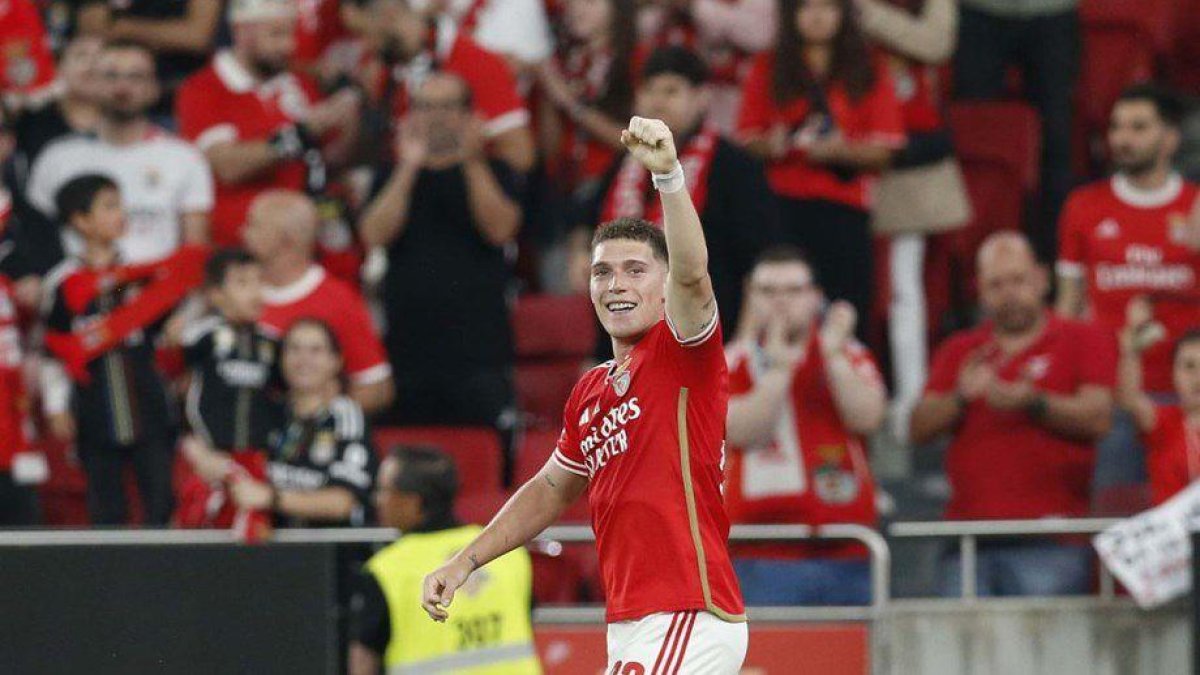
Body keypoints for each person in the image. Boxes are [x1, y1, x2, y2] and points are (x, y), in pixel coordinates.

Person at [421, 117, 748, 671]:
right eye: (603, 272)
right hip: (631, 622)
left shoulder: (682, 353)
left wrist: (668, 177)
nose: (616, 283)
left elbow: (693, 277)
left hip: (687, 612)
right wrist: (466, 560)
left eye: (635, 270)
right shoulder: (591, 391)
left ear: (663, 285)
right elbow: (551, 487)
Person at [910, 231, 1117, 597]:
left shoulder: (1083, 338)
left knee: (1044, 653)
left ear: (1041, 279)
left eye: (1018, 280)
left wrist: (1034, 402)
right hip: (968, 538)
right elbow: (917, 428)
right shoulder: (960, 349)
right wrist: (960, 397)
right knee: (960, 651)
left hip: (1052, 537)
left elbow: (1098, 417)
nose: (1009, 294)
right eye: (996, 284)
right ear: (981, 291)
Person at [1056, 84, 1200, 497]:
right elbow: (1069, 303)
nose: (1123, 138)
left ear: (1170, 139)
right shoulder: (1083, 207)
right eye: (1117, 127)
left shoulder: (1195, 206)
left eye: (1139, 127)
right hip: (1114, 394)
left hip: (1187, 395)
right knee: (1112, 514)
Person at [580, 46, 780, 339]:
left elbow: (758, 262)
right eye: (649, 91)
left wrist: (744, 344)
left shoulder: (734, 166)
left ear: (702, 97)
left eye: (671, 92)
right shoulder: (626, 161)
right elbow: (586, 221)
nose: (658, 102)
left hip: (705, 337)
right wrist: (578, 248)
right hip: (626, 339)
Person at [358, 74, 519, 437]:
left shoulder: (496, 170)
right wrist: (409, 165)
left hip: (478, 351)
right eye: (426, 107)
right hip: (407, 350)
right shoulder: (391, 173)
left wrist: (471, 159)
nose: (436, 116)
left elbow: (500, 229)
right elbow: (373, 233)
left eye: (447, 107)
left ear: (467, 115)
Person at [724, 245, 886, 606]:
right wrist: (778, 370)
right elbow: (744, 431)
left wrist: (832, 357)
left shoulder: (846, 351)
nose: (781, 302)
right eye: (768, 291)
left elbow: (869, 416)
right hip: (759, 554)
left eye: (794, 291)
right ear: (752, 297)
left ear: (816, 296)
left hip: (847, 547)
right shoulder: (732, 360)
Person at [737, 0, 905, 337]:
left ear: (844, 13)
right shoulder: (768, 65)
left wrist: (838, 151)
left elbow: (887, 151)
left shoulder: (870, 67)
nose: (817, 16)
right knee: (778, 317)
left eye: (828, 7)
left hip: (844, 209)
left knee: (846, 313)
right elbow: (746, 140)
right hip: (780, 207)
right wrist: (775, 144)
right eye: (807, 7)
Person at [856, 0, 971, 442]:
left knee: (905, 290)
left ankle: (912, 401)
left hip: (914, 166)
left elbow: (935, 43)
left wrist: (865, 13)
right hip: (850, 158)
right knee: (858, 288)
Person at [39, 174, 180, 526]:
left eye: (120, 205)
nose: (121, 214)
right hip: (93, 406)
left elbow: (170, 328)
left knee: (160, 499)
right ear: (80, 220)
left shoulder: (142, 273)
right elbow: (52, 349)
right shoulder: (62, 282)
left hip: (147, 402)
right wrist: (57, 406)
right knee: (105, 504)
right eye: (109, 206)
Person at [175, 0, 362, 247]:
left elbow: (331, 159)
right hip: (243, 244)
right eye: (276, 34)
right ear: (241, 31)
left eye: (290, 34)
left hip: (304, 238)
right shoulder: (204, 88)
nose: (289, 45)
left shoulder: (297, 84)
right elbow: (227, 166)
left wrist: (347, 119)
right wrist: (303, 132)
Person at [24, 40, 213, 271]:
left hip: (158, 295)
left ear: (154, 88)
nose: (122, 87)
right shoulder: (57, 156)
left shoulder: (184, 157)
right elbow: (34, 239)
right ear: (94, 85)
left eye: (136, 77)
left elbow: (194, 250)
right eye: (111, 76)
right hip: (77, 294)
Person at [348, 448, 539, 674]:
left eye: (384, 490)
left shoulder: (387, 569)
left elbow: (363, 660)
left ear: (413, 501)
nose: (377, 500)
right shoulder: (507, 551)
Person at [243, 190, 394, 415]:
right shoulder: (232, 293)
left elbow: (376, 388)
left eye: (254, 226)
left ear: (286, 240)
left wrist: (318, 413)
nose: (243, 233)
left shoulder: (338, 301)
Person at [953, 0, 1078, 262]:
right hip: (979, 12)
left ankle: (1055, 262)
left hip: (1053, 12)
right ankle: (975, 261)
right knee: (976, 145)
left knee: (1055, 144)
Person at [229, 318, 379, 528]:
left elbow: (343, 502)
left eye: (315, 350)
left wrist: (272, 498)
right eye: (294, 349)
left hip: (331, 552)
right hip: (268, 549)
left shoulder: (346, 417)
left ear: (336, 361)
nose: (303, 359)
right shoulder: (267, 413)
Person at [369, 0, 536, 174]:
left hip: (468, 192)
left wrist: (463, 155)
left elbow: (521, 156)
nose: (367, 46)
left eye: (365, 34)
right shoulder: (392, 70)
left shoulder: (475, 62)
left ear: (389, 15)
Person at [536, 0, 636, 193]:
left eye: (589, 2)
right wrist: (549, 90)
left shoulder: (636, 58)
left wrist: (571, 104)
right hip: (563, 187)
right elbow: (549, 151)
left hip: (612, 186)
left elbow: (636, 142)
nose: (576, 8)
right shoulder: (565, 60)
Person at [637, 0, 776, 134]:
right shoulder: (662, 15)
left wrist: (692, 4)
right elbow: (643, 28)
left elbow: (761, 36)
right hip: (682, 94)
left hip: (732, 97)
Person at [74, 0, 223, 117]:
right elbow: (92, 30)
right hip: (110, 100)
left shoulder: (125, 25)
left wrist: (126, 28)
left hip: (179, 99)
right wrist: (165, 34)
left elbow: (197, 37)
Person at [1118, 297, 1200, 506]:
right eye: (1189, 366)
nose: (1198, 377)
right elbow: (1129, 399)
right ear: (1173, 374)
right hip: (1172, 536)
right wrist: (1132, 348)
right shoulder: (1163, 422)